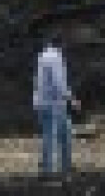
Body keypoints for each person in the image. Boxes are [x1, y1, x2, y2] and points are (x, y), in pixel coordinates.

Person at [33, 35, 79, 174]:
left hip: (42, 102)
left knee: (61, 133)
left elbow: (39, 81)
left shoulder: (42, 56)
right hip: (54, 103)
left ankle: (64, 165)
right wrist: (71, 99)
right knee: (55, 136)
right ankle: (50, 169)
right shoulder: (56, 57)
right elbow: (58, 82)